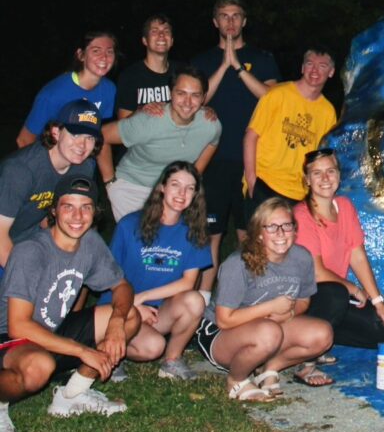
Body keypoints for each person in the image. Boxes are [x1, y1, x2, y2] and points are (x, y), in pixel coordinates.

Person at [0, 175, 143, 432]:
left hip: (52, 331)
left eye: (86, 207)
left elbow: (122, 287)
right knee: (38, 367)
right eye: (68, 206)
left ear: (95, 211)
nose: (77, 216)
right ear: (54, 210)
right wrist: (82, 351)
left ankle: (72, 395)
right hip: (9, 338)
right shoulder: (31, 251)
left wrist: (116, 323)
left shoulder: (89, 242)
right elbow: (18, 325)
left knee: (130, 316)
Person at [194, 197, 334, 402]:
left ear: (295, 230)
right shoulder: (238, 264)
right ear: (259, 233)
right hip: (219, 333)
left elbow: (304, 300)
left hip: (266, 328)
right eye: (272, 227)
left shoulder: (302, 257)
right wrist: (271, 308)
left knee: (323, 334)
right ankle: (236, 380)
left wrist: (290, 313)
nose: (280, 233)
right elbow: (224, 319)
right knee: (269, 332)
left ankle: (269, 369)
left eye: (287, 226)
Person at [192, 0, 280, 296]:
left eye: (236, 16)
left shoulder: (263, 58)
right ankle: (203, 300)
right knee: (212, 234)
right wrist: (224, 64)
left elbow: (270, 99)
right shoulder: (202, 62)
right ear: (215, 21)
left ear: (244, 21)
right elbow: (196, 101)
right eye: (224, 16)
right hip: (213, 159)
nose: (230, 21)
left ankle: (254, 294)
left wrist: (239, 68)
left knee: (249, 234)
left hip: (252, 161)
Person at [98, 161, 211, 381]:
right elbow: (109, 278)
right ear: (162, 187)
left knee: (195, 300)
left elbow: (188, 283)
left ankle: (171, 361)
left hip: (157, 313)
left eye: (190, 188)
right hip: (119, 309)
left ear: (195, 195)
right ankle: (108, 350)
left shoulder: (194, 232)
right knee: (152, 346)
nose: (181, 193)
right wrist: (132, 306)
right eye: (175, 185)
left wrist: (145, 298)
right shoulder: (129, 225)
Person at [294, 148, 384, 360]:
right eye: (317, 173)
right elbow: (316, 273)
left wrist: (378, 302)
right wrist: (354, 289)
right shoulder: (302, 214)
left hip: (334, 299)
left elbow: (357, 256)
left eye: (330, 171)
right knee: (336, 294)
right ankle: (307, 347)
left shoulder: (344, 206)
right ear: (307, 180)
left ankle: (324, 336)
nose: (325, 178)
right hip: (304, 298)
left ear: (339, 175)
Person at [99, 66, 221, 221]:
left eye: (195, 95)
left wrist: (190, 181)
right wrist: (110, 183)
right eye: (181, 93)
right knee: (138, 243)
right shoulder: (149, 121)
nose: (187, 102)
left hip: (171, 191)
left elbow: (213, 142)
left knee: (166, 243)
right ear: (171, 93)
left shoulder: (210, 125)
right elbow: (101, 135)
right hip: (132, 189)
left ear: (203, 98)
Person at [0, 100, 101, 271]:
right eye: (75, 135)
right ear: (56, 132)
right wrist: (26, 280)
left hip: (30, 240)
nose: (82, 145)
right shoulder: (20, 171)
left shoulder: (84, 167)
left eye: (89, 137)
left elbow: (57, 217)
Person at [242, 45, 338, 217]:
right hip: (265, 182)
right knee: (258, 242)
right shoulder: (277, 94)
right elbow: (251, 135)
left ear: (331, 72)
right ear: (302, 67)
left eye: (322, 66)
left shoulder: (328, 112)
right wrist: (251, 180)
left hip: (298, 192)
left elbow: (321, 155)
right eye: (310, 64)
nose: (314, 70)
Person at [16, 31, 117, 148]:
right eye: (96, 51)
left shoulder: (109, 89)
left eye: (109, 52)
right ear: (81, 55)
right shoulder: (53, 94)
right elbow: (23, 140)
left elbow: (97, 134)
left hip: (83, 158)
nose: (104, 57)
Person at [115, 14, 181, 119]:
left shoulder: (182, 72)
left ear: (172, 41)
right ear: (145, 40)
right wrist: (141, 110)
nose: (161, 35)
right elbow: (122, 122)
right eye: (154, 31)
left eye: (166, 31)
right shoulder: (129, 76)